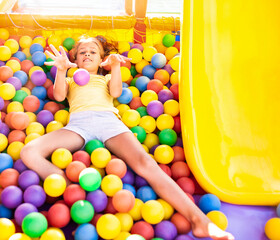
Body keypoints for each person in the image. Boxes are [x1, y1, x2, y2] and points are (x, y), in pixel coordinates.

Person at [20, 35, 235, 240]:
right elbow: (58, 96)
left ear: (101, 58)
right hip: (78, 126)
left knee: (145, 163)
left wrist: (114, 67)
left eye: (93, 51)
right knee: (29, 151)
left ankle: (199, 219)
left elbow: (115, 92)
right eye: (81, 52)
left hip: (109, 123)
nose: (87, 54)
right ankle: (73, 191)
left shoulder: (104, 78)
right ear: (74, 60)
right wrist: (60, 69)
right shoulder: (71, 79)